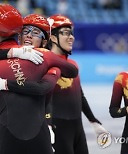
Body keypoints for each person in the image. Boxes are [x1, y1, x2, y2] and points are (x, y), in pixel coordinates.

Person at [0, 5, 78, 154]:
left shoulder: (46, 58)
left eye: (35, 33)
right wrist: (12, 52)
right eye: (25, 32)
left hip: (35, 128)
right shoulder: (10, 53)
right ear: (19, 36)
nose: (29, 35)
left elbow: (44, 90)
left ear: (43, 42)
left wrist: (53, 68)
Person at [46, 15, 107, 154]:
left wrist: (93, 120)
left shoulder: (72, 65)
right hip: (58, 128)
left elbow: (79, 94)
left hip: (77, 128)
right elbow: (45, 98)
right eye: (66, 33)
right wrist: (48, 125)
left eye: (71, 33)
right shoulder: (46, 64)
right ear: (53, 37)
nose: (71, 37)